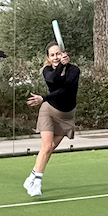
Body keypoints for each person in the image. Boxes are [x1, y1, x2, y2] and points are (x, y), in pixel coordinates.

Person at [24, 43, 80, 197]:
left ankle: (32, 176)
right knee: (47, 147)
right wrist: (61, 66)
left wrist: (44, 97)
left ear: (64, 54)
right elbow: (54, 81)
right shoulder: (47, 71)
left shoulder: (74, 70)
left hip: (67, 115)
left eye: (58, 54)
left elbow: (66, 90)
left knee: (50, 149)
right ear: (48, 58)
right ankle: (37, 184)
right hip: (49, 111)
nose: (56, 57)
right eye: (53, 55)